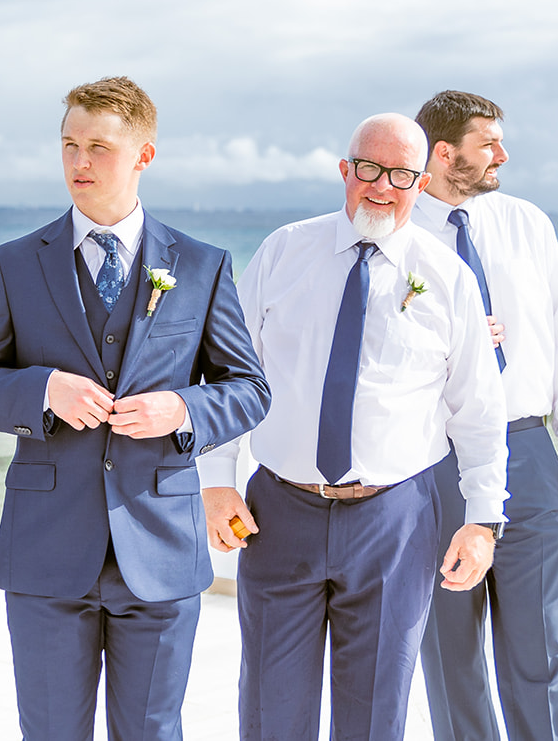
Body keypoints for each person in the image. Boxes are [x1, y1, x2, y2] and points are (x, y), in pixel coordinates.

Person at [0, 76, 270, 741]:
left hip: (162, 549)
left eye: (98, 147)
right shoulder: (13, 264)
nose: (79, 162)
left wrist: (180, 408)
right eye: (69, 145)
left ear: (144, 155)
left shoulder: (203, 266)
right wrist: (43, 390)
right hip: (45, 553)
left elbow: (249, 388)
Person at [201, 112, 508, 741]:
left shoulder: (449, 278)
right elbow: (230, 374)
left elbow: (478, 407)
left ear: (422, 184)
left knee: (374, 712)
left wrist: (482, 520)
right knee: (268, 707)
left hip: (394, 521)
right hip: (278, 511)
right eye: (369, 168)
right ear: (346, 170)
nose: (382, 186)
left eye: (401, 174)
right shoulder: (284, 251)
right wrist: (215, 480)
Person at [411, 91, 558, 741]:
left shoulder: (526, 223)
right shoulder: (393, 235)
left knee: (542, 644)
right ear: (443, 151)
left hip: (528, 450)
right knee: (448, 651)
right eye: (488, 142)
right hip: (431, 460)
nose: (503, 154)